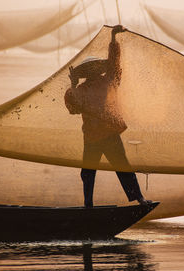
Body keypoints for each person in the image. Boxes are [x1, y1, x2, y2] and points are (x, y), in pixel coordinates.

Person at [64, 25, 152, 208]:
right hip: (91, 137)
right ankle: (88, 205)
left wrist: (113, 37)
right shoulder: (81, 90)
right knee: (88, 172)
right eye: (90, 69)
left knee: (123, 168)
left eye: (96, 67)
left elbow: (115, 62)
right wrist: (73, 84)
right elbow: (73, 108)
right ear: (86, 74)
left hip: (110, 135)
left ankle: (140, 199)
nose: (94, 70)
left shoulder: (109, 81)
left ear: (100, 69)